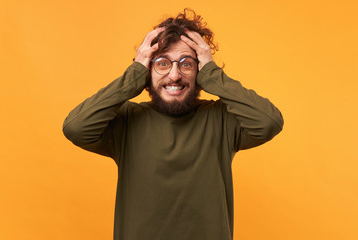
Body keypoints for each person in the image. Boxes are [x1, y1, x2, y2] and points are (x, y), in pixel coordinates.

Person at [63, 8, 284, 240]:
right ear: (148, 71)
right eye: (162, 63)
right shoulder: (127, 121)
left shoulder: (221, 119)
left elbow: (268, 122)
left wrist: (212, 72)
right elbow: (76, 128)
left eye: (187, 64)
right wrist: (134, 75)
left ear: (199, 71)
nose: (174, 75)